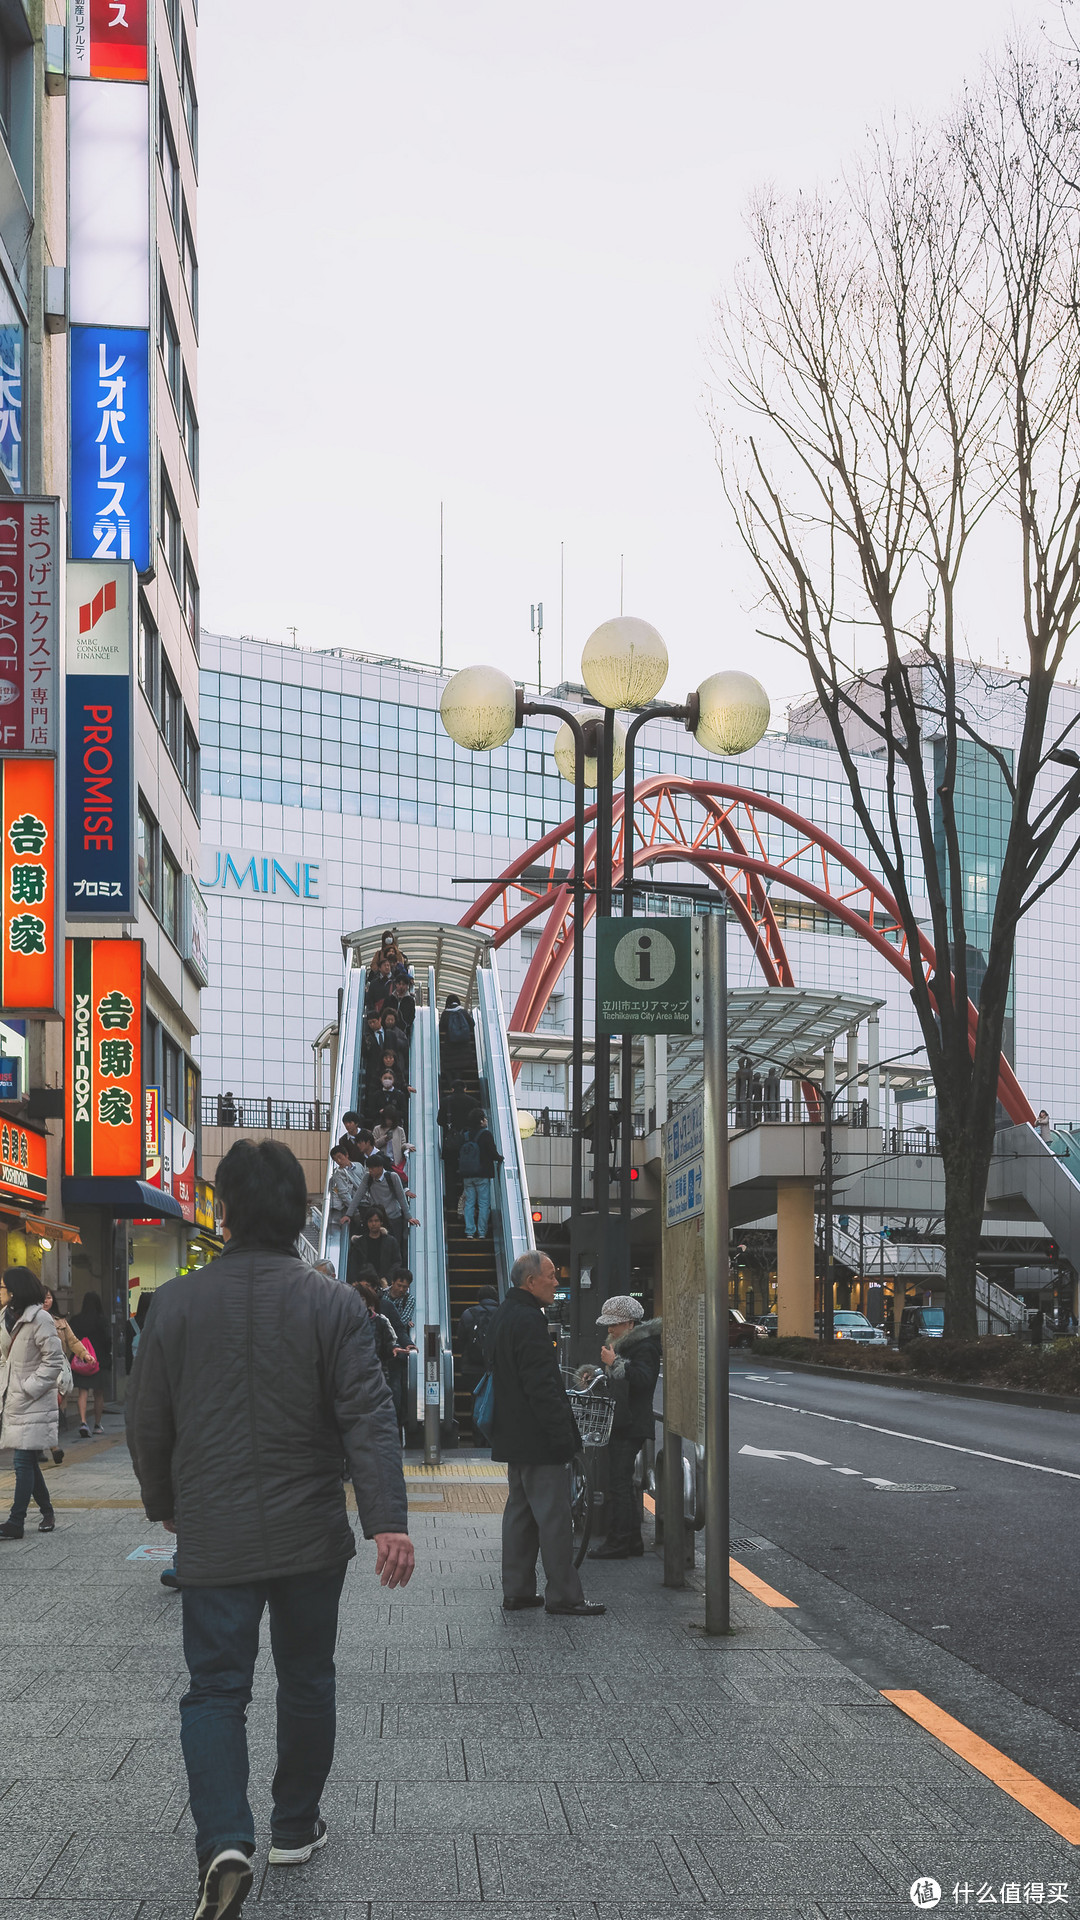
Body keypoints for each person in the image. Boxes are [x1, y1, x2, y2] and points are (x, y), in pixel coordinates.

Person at [126, 1138, 413, 1920]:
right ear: (299, 1212)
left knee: (215, 1689)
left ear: (224, 1211)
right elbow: (368, 1417)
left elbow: (147, 1418)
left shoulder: (176, 1304)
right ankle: (293, 1826)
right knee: (307, 1678)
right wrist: (387, 1521)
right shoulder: (335, 1304)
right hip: (310, 1534)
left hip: (214, 1533)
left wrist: (164, 1501)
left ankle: (224, 1839)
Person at [488, 1250, 603, 1617]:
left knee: (519, 1514)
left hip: (513, 1436)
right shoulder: (529, 1321)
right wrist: (562, 1437)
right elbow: (542, 1388)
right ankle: (564, 1595)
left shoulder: (504, 1315)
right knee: (554, 1518)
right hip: (538, 1438)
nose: (557, 1282)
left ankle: (518, 1590)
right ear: (531, 1281)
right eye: (551, 1276)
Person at [586, 1296, 661, 1560]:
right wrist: (595, 1372)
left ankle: (619, 1542)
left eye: (614, 1324)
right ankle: (631, 1541)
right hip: (623, 1421)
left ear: (629, 1323)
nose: (609, 1329)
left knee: (618, 1483)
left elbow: (642, 1379)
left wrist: (614, 1363)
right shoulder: (627, 1345)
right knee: (622, 1483)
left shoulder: (645, 1346)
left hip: (631, 1422)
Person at [0, 1268, 63, 1538]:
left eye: (3, 1287)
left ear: (15, 1290)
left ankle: (16, 1521)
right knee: (28, 1462)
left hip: (32, 1400)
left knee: (22, 1462)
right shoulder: (3, 1317)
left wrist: (28, 1387)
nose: (0, 1290)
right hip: (11, 1398)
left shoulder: (41, 1319)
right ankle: (47, 1510)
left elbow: (54, 1361)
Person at [43, 1286, 89, 1452]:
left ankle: (50, 1444)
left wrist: (84, 1354)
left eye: (48, 1297)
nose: (46, 1301)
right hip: (38, 1370)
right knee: (43, 1408)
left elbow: (73, 1341)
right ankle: (48, 1447)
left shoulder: (60, 1321)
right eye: (43, 1298)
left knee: (53, 1408)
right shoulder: (30, 1320)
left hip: (57, 1370)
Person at [352, 1155, 418, 1260]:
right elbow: (358, 1196)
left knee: (395, 1247)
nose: (370, 1171)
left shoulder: (392, 1177)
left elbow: (401, 1197)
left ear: (380, 1167)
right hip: (378, 1219)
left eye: (372, 1168)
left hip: (394, 1218)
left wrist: (408, 1216)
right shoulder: (368, 1178)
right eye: (369, 1168)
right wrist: (348, 1214)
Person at [458, 1286, 498, 1439]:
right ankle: (492, 1437)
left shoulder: (468, 1314)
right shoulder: (502, 1313)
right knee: (495, 1401)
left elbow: (461, 1340)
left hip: (471, 1368)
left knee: (476, 1401)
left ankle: (478, 1437)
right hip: (495, 1367)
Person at [70, 1289, 112, 1436]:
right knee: (99, 1393)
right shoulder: (102, 1321)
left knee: (83, 1391)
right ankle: (97, 1424)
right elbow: (108, 1341)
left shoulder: (75, 1321)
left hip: (81, 1362)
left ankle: (83, 1422)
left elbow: (71, 1341)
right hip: (99, 1361)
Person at [460, 1108, 502, 1240]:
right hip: (482, 1174)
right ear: (480, 1121)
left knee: (469, 1203)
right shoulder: (486, 1135)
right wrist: (500, 1158)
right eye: (484, 1118)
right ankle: (482, 1232)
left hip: (467, 1175)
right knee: (483, 1204)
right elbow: (493, 1153)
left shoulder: (466, 1135)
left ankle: (469, 1231)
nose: (486, 1120)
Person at [354, 1281, 397, 1382]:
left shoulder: (380, 1322)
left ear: (368, 1301)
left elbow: (387, 1349)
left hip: (375, 1375)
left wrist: (393, 1348)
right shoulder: (344, 1322)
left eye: (362, 1299)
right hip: (351, 1376)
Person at [349, 1205, 400, 1285]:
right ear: (367, 1223)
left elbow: (397, 1262)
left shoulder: (391, 1241)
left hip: (385, 1284)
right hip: (364, 1284)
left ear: (381, 1222)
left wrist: (387, 1279)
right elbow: (353, 1264)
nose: (373, 1224)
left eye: (376, 1221)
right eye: (370, 1221)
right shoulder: (360, 1242)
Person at [328, 1147, 364, 1223]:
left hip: (367, 1200)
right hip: (358, 1205)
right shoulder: (338, 1174)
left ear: (346, 1155)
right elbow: (344, 1194)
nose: (338, 1161)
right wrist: (354, 1210)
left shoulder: (359, 1165)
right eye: (335, 1159)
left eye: (340, 1157)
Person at [439, 994, 475, 1071]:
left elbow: (441, 1027)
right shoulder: (464, 1012)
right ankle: (459, 1081)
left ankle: (452, 1081)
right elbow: (472, 1024)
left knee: (450, 1068)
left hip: (450, 1046)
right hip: (464, 1046)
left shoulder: (445, 1014)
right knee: (460, 1067)